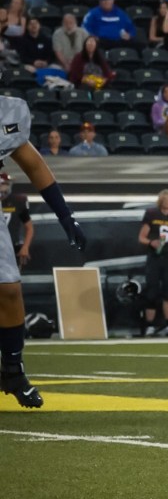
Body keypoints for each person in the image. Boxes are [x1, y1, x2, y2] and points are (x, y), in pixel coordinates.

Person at [0, 93, 85, 408]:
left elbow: (34, 164)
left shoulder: (7, 111)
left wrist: (66, 216)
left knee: (9, 289)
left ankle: (12, 370)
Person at [138, 189, 168, 336]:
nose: (167, 202)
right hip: (154, 257)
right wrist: (151, 242)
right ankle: (150, 325)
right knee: (152, 291)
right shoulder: (152, 214)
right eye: (164, 199)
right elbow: (141, 237)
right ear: (160, 201)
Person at [0, 172, 33, 270]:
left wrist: (25, 247)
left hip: (12, 247)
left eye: (7, 183)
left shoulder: (18, 201)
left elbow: (29, 227)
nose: (5, 187)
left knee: (12, 276)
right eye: (3, 183)